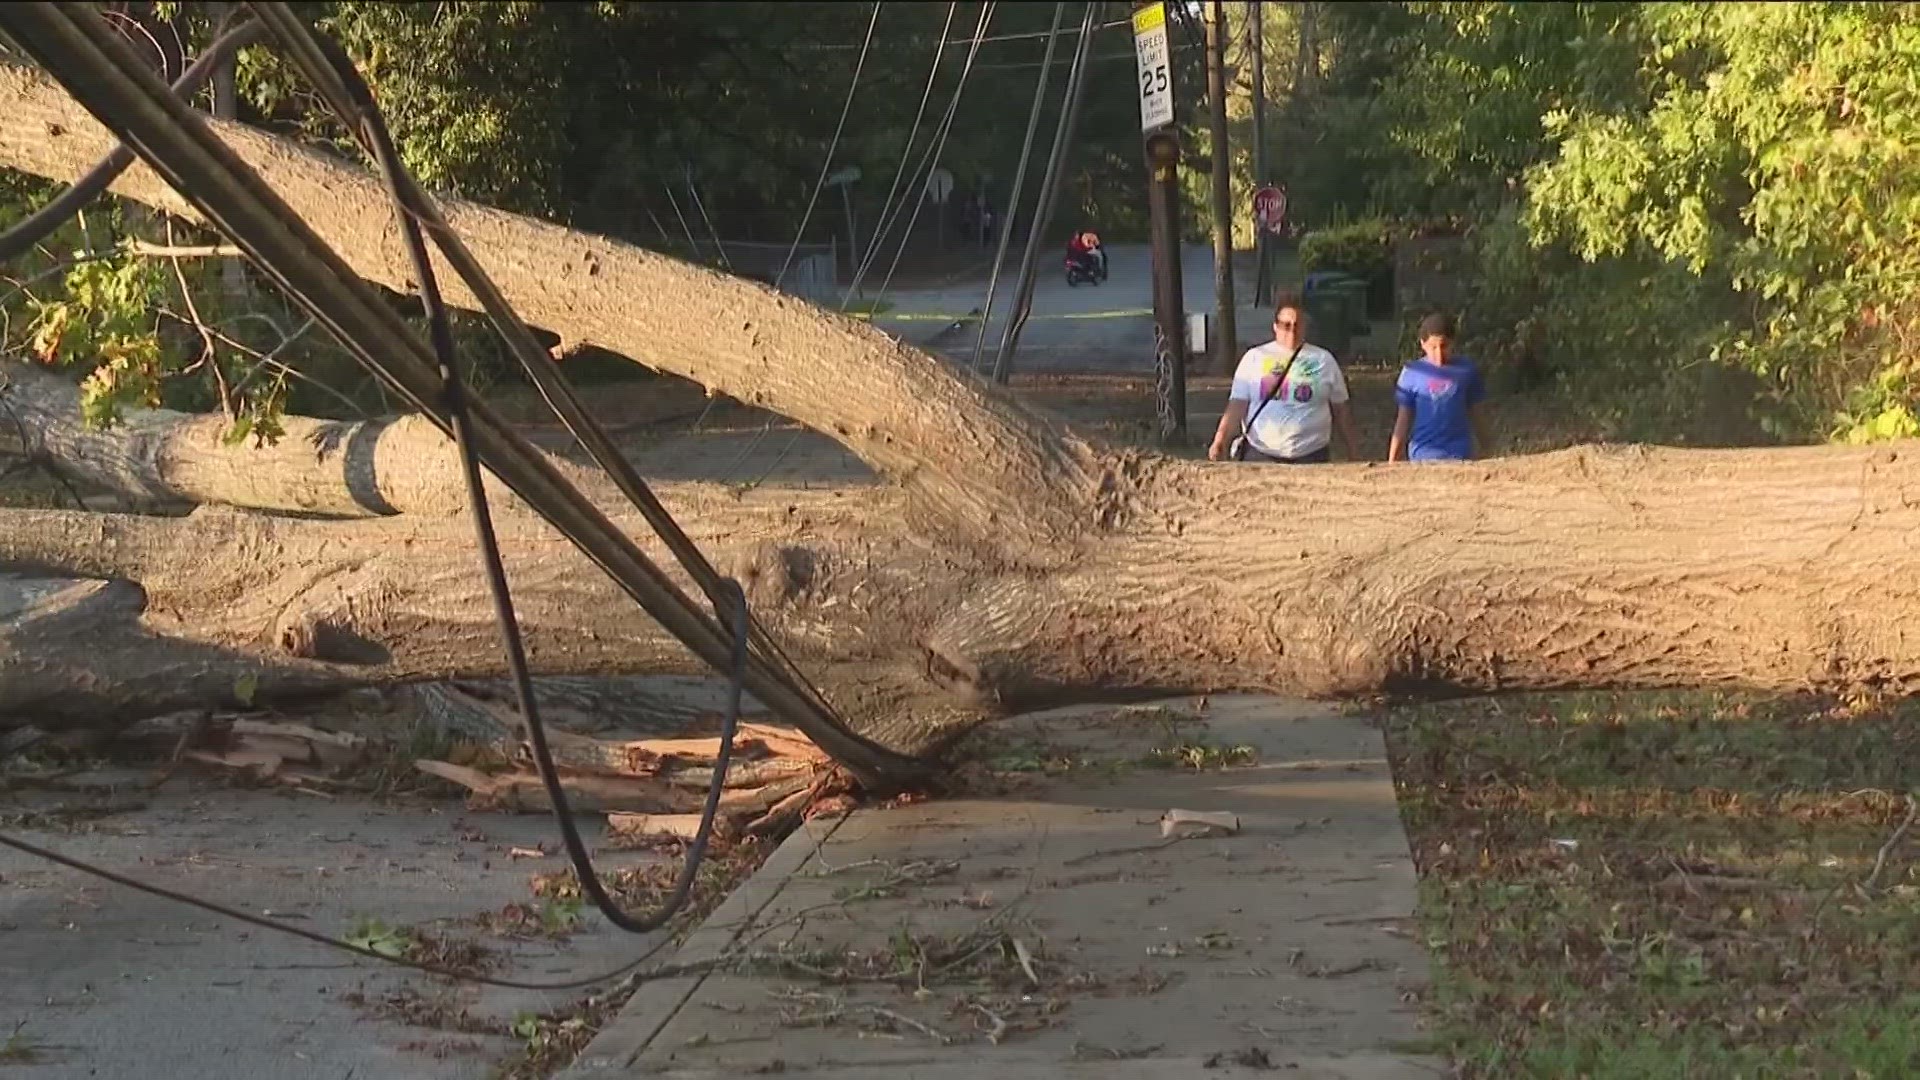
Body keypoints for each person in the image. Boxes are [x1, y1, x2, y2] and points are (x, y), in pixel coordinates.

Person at [1208, 294, 1359, 464]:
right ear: (1275, 327)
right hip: (1262, 455)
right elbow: (1236, 406)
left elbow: (1341, 410)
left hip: (1312, 455)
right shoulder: (1254, 358)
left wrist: (1353, 451)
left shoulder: (1324, 360)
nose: (1292, 331)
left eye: (1297, 325)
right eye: (1286, 325)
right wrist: (1220, 440)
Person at [1388, 312, 1489, 462]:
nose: (1439, 354)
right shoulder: (1412, 372)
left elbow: (1478, 415)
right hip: (1422, 456)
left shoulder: (1467, 370)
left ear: (1453, 343)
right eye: (1433, 347)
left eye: (1444, 346)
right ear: (1423, 344)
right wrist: (1393, 460)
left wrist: (1487, 451)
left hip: (1459, 455)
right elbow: (1403, 419)